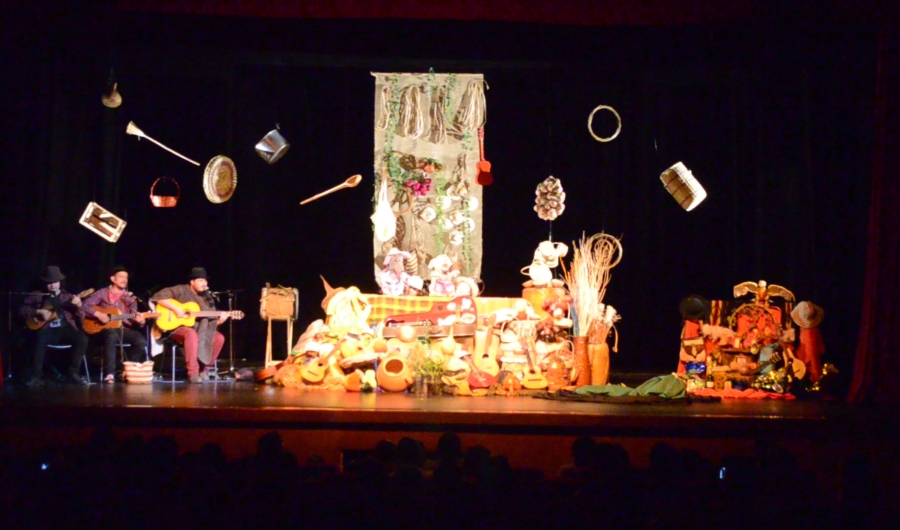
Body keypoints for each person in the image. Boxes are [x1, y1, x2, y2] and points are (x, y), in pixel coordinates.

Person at [150, 267, 229, 383]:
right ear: (192, 282)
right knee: (190, 333)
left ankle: (205, 371)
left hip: (200, 329)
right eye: (201, 280)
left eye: (205, 281)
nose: (204, 283)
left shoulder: (207, 298)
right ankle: (193, 373)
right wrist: (176, 309)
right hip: (175, 327)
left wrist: (221, 320)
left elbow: (211, 323)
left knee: (219, 338)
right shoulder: (181, 290)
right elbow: (158, 297)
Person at [18, 265, 89, 386]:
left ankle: (73, 374)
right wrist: (38, 312)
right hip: (47, 329)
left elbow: (81, 317)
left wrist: (78, 307)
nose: (52, 285)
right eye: (49, 282)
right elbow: (21, 310)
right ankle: (36, 377)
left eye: (55, 282)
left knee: (82, 339)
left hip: (65, 329)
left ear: (60, 282)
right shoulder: (37, 295)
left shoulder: (69, 297)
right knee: (39, 338)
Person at [81, 266, 148, 383]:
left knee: (140, 340)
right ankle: (110, 373)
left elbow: (134, 318)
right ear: (113, 279)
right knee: (110, 334)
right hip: (101, 331)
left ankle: (127, 370)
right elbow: (84, 305)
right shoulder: (102, 293)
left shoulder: (130, 299)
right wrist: (97, 314)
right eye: (121, 277)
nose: (125, 280)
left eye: (126, 277)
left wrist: (141, 321)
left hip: (123, 330)